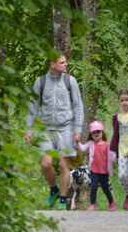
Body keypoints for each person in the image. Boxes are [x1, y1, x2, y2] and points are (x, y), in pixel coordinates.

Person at [25, 54, 84, 210]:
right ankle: (54, 190)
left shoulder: (70, 81)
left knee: (64, 164)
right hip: (47, 130)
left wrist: (77, 130)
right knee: (46, 163)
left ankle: (63, 199)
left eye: (65, 61)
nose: (66, 64)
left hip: (66, 128)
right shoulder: (41, 82)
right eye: (62, 62)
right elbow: (33, 108)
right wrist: (29, 130)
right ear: (52, 64)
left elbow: (78, 106)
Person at [78, 121, 117, 211]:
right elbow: (83, 148)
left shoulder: (107, 144)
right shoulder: (91, 143)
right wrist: (77, 142)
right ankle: (92, 204)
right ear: (91, 134)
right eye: (93, 132)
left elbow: (112, 156)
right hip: (94, 170)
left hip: (104, 171)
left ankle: (111, 203)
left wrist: (115, 155)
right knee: (94, 186)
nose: (96, 134)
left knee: (105, 188)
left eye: (98, 132)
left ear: (102, 132)